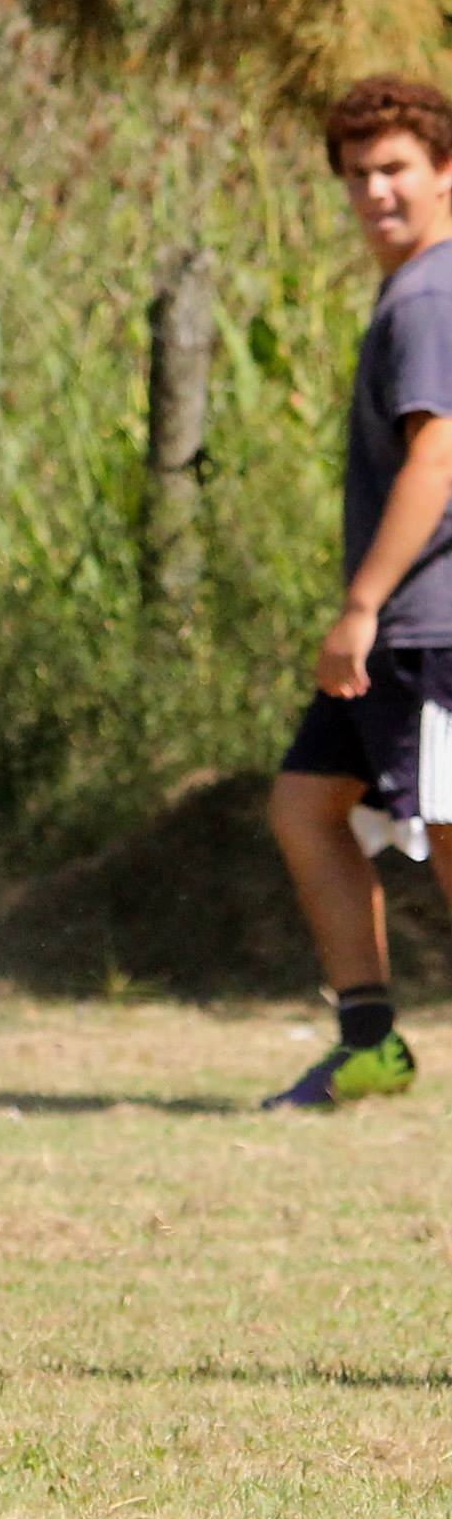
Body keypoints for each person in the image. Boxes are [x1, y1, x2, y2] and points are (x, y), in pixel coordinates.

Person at [266, 76, 452, 1108]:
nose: (376, 190)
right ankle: (371, 1037)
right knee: (305, 807)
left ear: (444, 173)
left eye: (396, 169)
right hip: (403, 631)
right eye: (357, 173)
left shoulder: (430, 293)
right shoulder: (417, 286)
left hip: (430, 627)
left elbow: (439, 455)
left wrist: (362, 605)